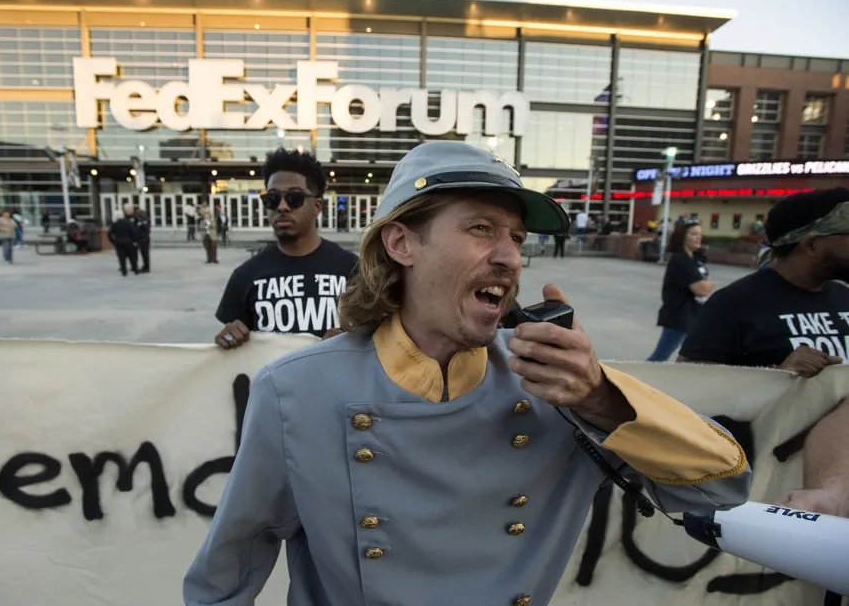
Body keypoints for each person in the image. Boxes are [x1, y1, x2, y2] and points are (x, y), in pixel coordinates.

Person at [184, 141, 751, 605]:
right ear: (402, 242)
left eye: (517, 238)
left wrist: (600, 396)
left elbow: (721, 488)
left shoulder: (558, 385)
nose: (509, 257)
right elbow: (227, 572)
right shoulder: (297, 390)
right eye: (482, 229)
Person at [680, 188, 849, 517]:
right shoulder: (735, 302)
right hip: (773, 492)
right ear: (812, 245)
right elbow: (692, 387)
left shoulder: (844, 296)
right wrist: (776, 374)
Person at [213, 148, 358, 348]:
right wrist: (227, 338)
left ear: (317, 206)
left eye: (294, 198)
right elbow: (231, 347)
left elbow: (381, 337)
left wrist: (353, 339)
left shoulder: (352, 269)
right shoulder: (246, 275)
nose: (282, 207)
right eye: (272, 199)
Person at [647, 217, 713, 362]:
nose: (698, 237)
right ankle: (634, 381)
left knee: (692, 357)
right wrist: (706, 286)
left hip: (693, 316)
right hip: (679, 317)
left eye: (699, 234)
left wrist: (705, 286)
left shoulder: (694, 260)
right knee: (659, 357)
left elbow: (704, 286)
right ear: (682, 237)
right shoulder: (680, 260)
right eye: (694, 234)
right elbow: (702, 289)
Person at [108, 204, 139, 276]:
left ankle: (124, 270)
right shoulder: (128, 223)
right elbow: (133, 232)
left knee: (121, 257)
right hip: (128, 242)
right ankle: (135, 269)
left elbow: (109, 234)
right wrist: (134, 240)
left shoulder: (114, 224)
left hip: (118, 243)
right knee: (132, 256)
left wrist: (113, 241)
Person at [134, 207, 151, 273]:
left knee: (145, 254)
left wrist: (144, 237)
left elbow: (146, 230)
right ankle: (145, 266)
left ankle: (146, 267)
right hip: (141, 239)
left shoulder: (144, 220)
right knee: (144, 254)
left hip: (144, 239)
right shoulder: (140, 220)